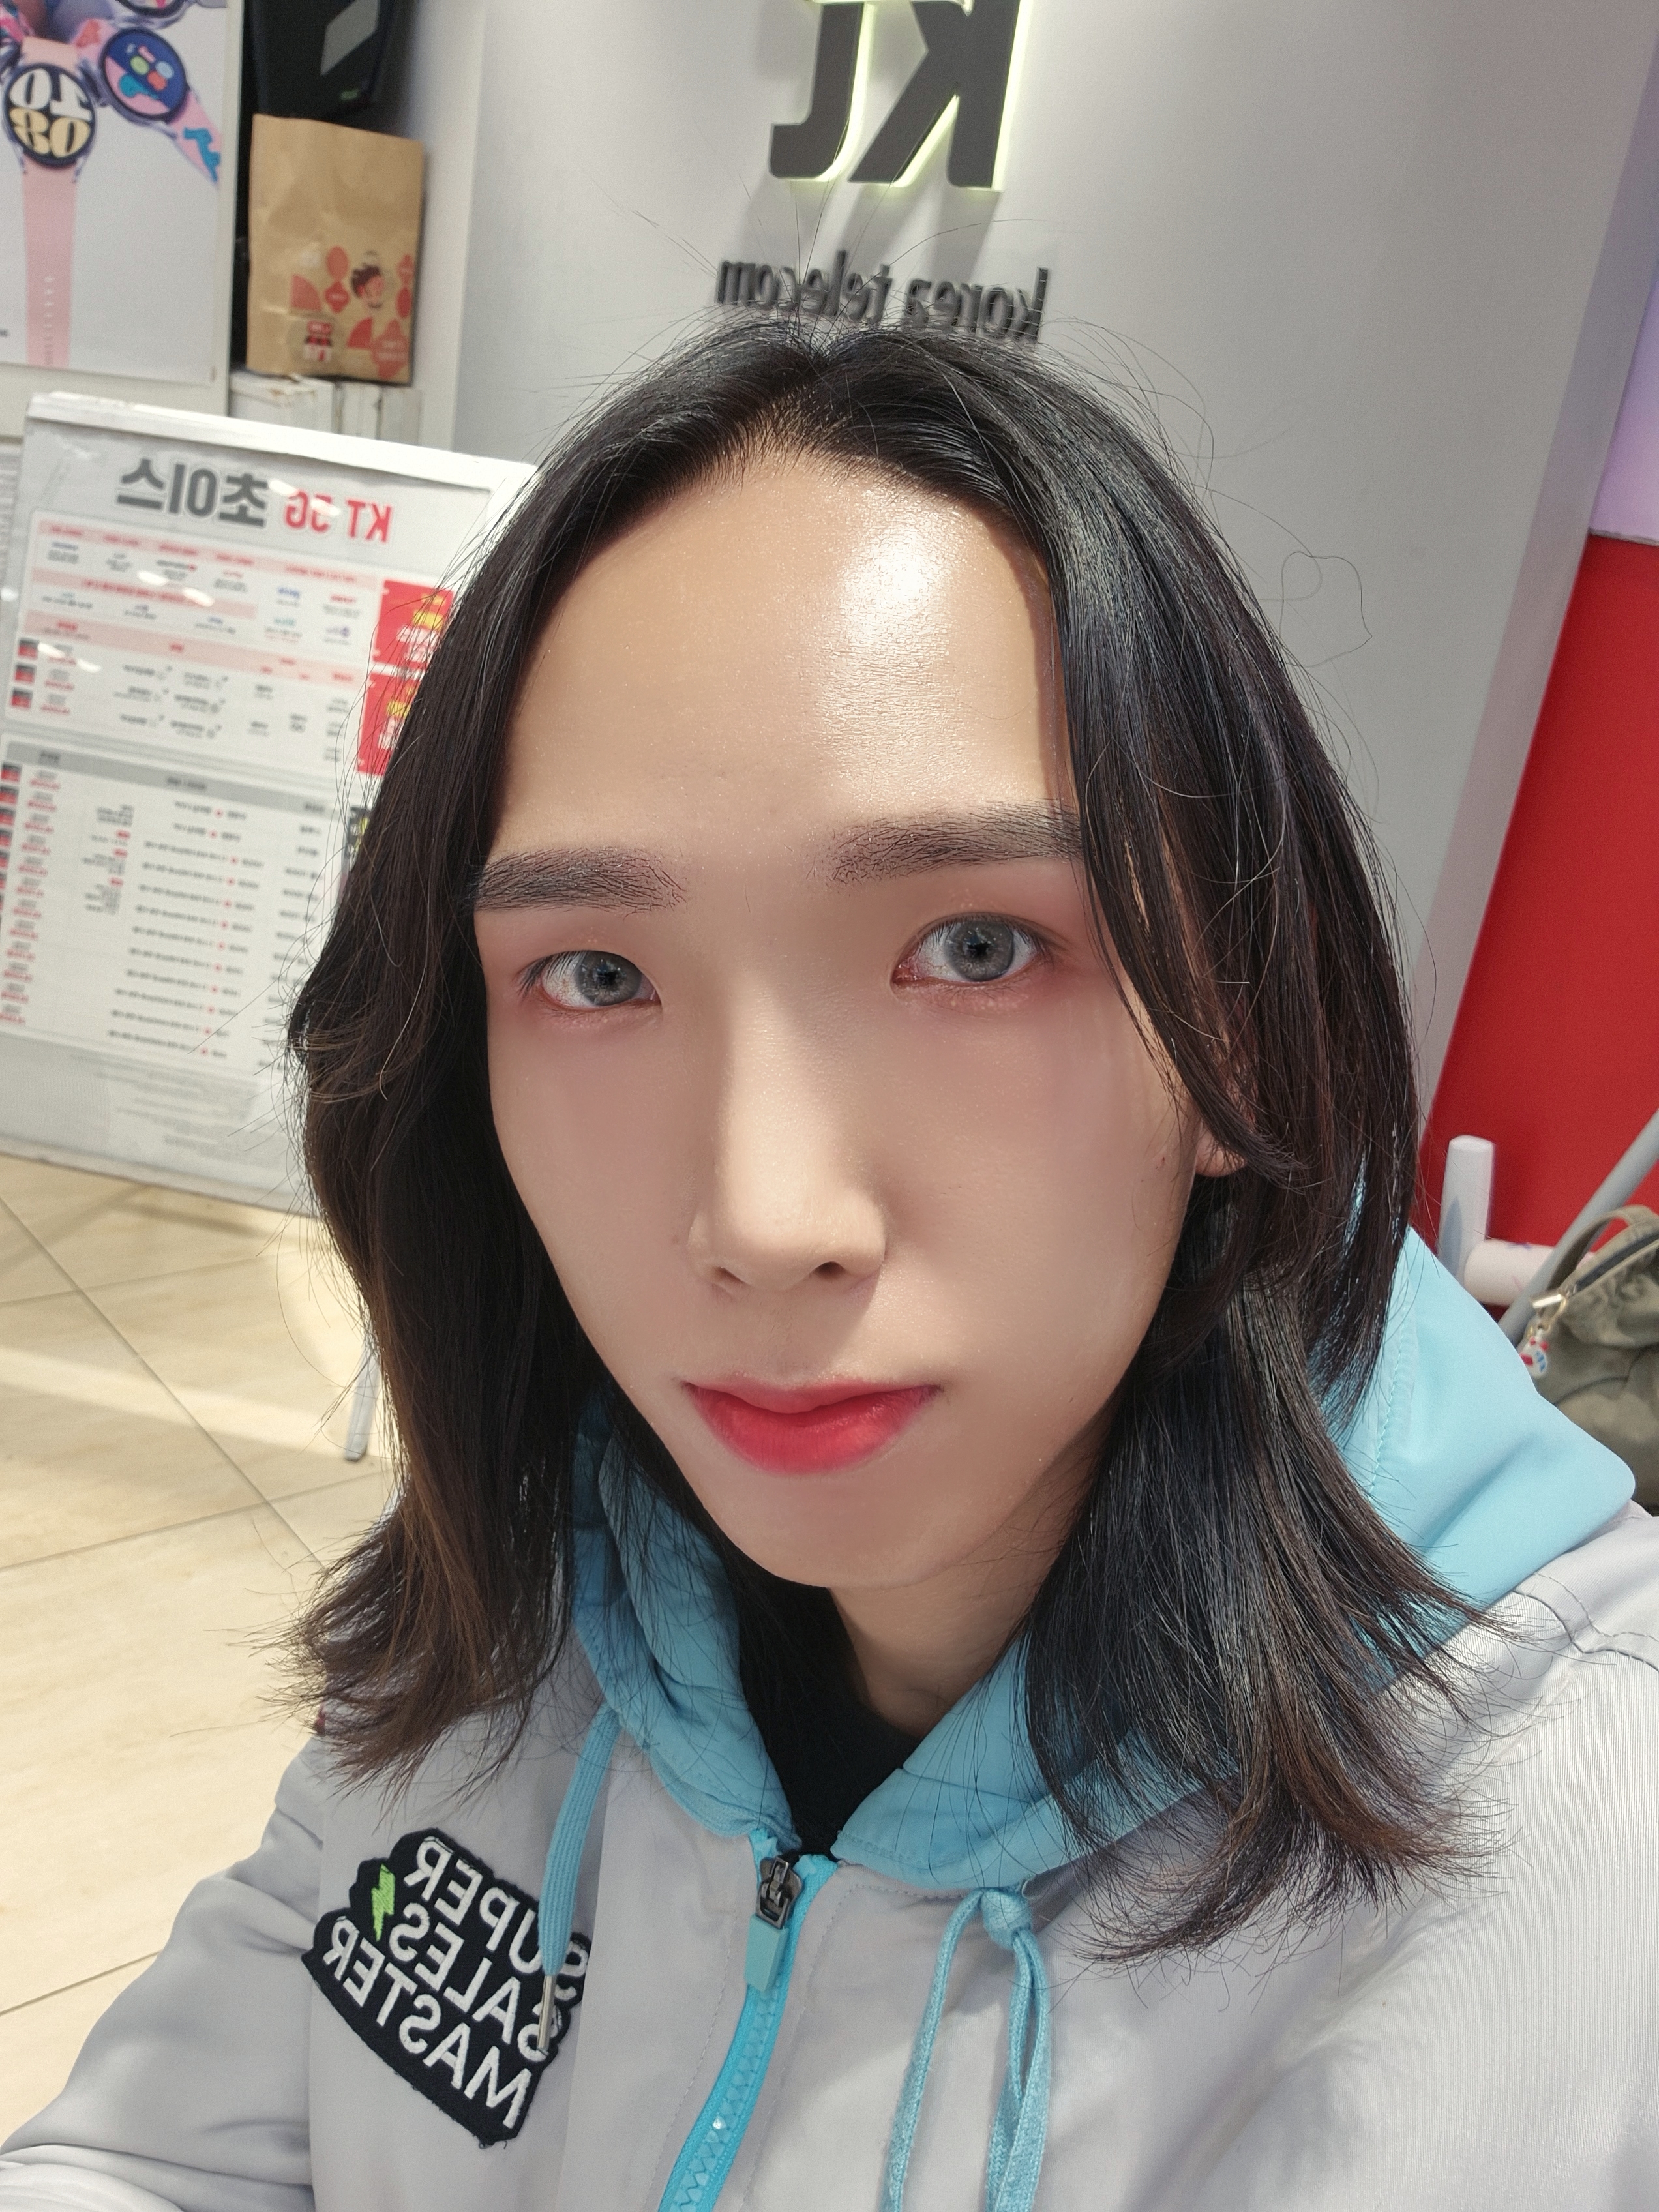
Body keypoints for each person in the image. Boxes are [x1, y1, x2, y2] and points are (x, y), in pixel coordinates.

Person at [3, 322, 1655, 2212]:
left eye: (976, 948)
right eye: (598, 976)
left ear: (1241, 1037)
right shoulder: (533, 1602)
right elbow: (158, 2153)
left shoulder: (1597, 1880)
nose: (764, 1218)